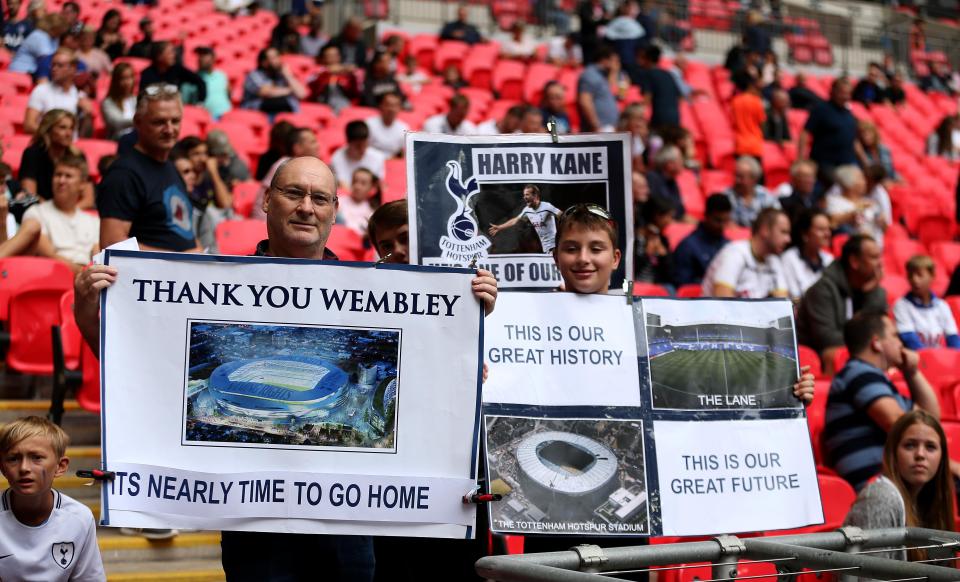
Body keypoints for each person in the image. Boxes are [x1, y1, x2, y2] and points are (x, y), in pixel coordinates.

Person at [76, 156, 498, 580]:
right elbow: (138, 372)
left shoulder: (380, 292)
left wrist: (466, 330)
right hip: (251, 517)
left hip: (350, 515)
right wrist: (88, 310)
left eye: (319, 198)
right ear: (266, 201)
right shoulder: (211, 289)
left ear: (334, 210)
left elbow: (422, 391)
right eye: (293, 193)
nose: (306, 207)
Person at [822, 313, 941, 491]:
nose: (901, 343)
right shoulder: (858, 372)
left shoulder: (879, 382)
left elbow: (931, 421)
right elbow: (899, 424)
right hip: (876, 487)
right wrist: (951, 465)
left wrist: (912, 372)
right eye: (894, 335)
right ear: (876, 342)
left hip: (894, 480)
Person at [0, 416, 105, 581]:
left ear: (60, 466)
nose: (24, 468)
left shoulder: (80, 518)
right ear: (3, 468)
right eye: (13, 458)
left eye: (36, 457)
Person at [97, 83, 199, 252]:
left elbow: (187, 235)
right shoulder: (123, 174)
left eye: (175, 121)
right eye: (159, 122)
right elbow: (112, 244)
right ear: (138, 122)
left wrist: (200, 257)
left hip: (183, 276)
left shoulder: (172, 169)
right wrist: (181, 259)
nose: (169, 129)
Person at [844, 411, 956, 562]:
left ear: (942, 458)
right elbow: (872, 576)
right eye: (910, 445)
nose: (920, 454)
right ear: (893, 453)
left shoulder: (931, 502)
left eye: (930, 447)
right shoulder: (880, 498)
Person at [797, 234, 887, 369]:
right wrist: (864, 342)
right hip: (816, 365)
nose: (880, 263)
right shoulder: (822, 290)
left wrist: (870, 295)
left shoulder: (875, 292)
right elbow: (827, 338)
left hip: (854, 358)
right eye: (874, 257)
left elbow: (880, 330)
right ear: (854, 262)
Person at [11, 152, 98, 270]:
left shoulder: (93, 221)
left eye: (68, 176)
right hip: (53, 277)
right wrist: (84, 274)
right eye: (58, 175)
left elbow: (97, 257)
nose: (61, 180)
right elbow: (49, 255)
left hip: (88, 279)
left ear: (82, 184)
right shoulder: (36, 213)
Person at [701, 207, 790, 298]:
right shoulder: (735, 253)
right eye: (783, 232)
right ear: (765, 230)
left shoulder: (773, 260)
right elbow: (723, 300)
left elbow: (783, 302)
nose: (788, 239)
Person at [174, 135, 232, 250]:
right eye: (196, 154)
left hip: (210, 227)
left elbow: (226, 204)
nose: (203, 159)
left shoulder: (210, 176)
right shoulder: (180, 179)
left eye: (205, 153)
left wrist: (214, 172)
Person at [798, 78, 858, 187]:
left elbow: (854, 140)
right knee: (840, 186)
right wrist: (801, 161)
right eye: (842, 93)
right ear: (833, 91)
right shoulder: (821, 109)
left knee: (859, 184)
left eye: (848, 93)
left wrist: (866, 162)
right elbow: (805, 133)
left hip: (847, 162)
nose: (846, 96)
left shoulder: (848, 113)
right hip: (826, 163)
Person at [19, 109, 88, 204]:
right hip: (40, 212)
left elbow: (88, 198)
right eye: (62, 128)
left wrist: (70, 213)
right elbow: (30, 194)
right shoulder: (33, 154)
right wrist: (53, 214)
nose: (69, 133)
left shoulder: (77, 156)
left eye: (71, 128)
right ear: (48, 129)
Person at [893, 255, 960, 349]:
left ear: (932, 276)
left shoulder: (942, 305)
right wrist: (931, 358)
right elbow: (909, 339)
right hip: (915, 359)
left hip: (938, 358)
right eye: (910, 275)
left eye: (919, 275)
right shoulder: (901, 305)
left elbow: (953, 337)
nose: (914, 280)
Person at [23, 47, 92, 135]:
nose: (54, 69)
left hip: (71, 146)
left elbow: (85, 135)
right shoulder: (41, 90)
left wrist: (87, 115)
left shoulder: (80, 95)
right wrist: (54, 137)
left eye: (60, 65)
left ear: (73, 68)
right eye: (53, 65)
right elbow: (29, 125)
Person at [672, 193, 731, 287]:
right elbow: (682, 285)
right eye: (718, 220)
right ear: (706, 216)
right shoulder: (687, 246)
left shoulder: (729, 245)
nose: (722, 226)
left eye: (726, 221)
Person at [488, 185, 561, 254]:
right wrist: (500, 227)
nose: (524, 197)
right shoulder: (527, 210)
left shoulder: (547, 206)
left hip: (555, 245)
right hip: (545, 247)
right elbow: (515, 220)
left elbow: (562, 216)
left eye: (527, 194)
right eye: (524, 195)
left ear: (535, 195)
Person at [825, 165, 886, 247]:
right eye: (861, 178)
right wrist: (858, 209)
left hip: (875, 248)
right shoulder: (834, 201)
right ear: (849, 183)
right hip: (852, 249)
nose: (865, 182)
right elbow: (832, 221)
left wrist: (882, 222)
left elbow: (883, 228)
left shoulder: (869, 202)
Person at [780, 209, 832, 301]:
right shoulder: (789, 258)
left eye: (828, 229)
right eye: (821, 229)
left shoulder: (829, 259)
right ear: (805, 234)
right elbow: (793, 298)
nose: (827, 234)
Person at [629, 44, 680, 132]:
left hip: (659, 119)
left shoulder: (648, 74)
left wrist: (635, 115)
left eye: (641, 58)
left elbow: (647, 99)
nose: (639, 62)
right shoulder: (668, 74)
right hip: (675, 117)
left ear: (647, 59)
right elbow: (679, 97)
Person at [242, 47, 306, 116]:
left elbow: (302, 94)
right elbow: (266, 92)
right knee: (282, 103)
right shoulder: (254, 75)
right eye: (273, 58)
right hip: (259, 110)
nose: (277, 60)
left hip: (284, 111)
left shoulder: (283, 74)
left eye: (277, 56)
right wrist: (291, 90)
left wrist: (288, 76)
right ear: (264, 63)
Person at [139, 42, 207, 104]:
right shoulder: (147, 74)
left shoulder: (178, 69)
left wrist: (200, 102)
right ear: (159, 56)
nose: (174, 55)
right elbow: (142, 95)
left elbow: (200, 82)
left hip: (174, 109)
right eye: (170, 53)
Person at [722, 156, 780, 228]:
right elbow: (723, 223)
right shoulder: (726, 196)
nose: (737, 180)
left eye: (741, 177)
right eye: (736, 175)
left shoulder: (766, 196)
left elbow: (777, 220)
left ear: (754, 179)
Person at [577, 45, 622, 133]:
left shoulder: (602, 75)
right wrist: (595, 125)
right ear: (605, 60)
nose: (617, 64)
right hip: (600, 128)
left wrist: (614, 72)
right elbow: (585, 101)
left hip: (609, 127)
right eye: (615, 61)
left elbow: (614, 94)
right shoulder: (590, 75)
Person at [330, 121, 386, 189]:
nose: (362, 149)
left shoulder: (378, 157)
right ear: (349, 143)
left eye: (364, 145)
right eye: (358, 146)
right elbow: (343, 186)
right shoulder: (337, 158)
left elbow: (378, 186)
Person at [308, 44, 360, 113]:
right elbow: (313, 84)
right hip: (322, 105)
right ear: (323, 58)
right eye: (329, 56)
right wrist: (333, 70)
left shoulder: (347, 74)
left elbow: (355, 93)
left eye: (336, 55)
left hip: (344, 106)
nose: (333, 58)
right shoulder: (317, 71)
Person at [634, 195, 673, 285]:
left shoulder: (662, 240)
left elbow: (669, 275)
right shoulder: (636, 238)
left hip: (656, 287)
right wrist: (647, 254)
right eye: (668, 216)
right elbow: (630, 269)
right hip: (635, 286)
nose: (670, 221)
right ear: (657, 216)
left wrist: (664, 256)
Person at [730, 69, 765, 164]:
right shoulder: (756, 101)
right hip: (755, 145)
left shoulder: (734, 101)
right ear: (750, 85)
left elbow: (732, 122)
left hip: (740, 144)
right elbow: (762, 123)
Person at [645, 145, 688, 222]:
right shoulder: (652, 178)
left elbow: (680, 211)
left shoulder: (672, 182)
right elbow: (658, 210)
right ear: (670, 164)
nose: (683, 162)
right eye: (680, 159)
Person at [362, 92, 407, 159]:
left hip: (393, 163)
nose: (391, 109)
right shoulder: (368, 124)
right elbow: (362, 147)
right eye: (388, 105)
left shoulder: (404, 128)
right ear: (380, 105)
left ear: (400, 108)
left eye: (395, 105)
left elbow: (403, 153)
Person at [337, 167, 379, 236]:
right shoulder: (338, 201)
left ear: (371, 187)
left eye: (363, 183)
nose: (357, 186)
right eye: (355, 181)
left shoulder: (371, 211)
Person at [101, 62, 136, 140]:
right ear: (116, 81)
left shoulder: (136, 100)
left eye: (130, 77)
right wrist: (140, 120)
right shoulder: (108, 103)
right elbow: (117, 123)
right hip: (117, 140)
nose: (128, 82)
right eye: (124, 78)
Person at [195, 46, 231, 120]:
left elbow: (229, 93)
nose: (200, 58)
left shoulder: (222, 75)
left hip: (225, 115)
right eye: (199, 55)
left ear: (213, 58)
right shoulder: (194, 77)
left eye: (204, 55)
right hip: (206, 118)